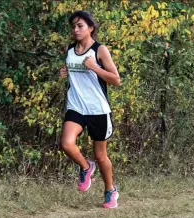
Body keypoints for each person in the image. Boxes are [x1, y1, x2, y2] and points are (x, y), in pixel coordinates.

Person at [59, 10, 120, 209]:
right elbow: (74, 74)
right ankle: (86, 167)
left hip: (97, 109)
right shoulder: (69, 50)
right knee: (67, 144)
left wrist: (94, 67)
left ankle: (110, 190)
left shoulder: (99, 50)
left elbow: (115, 80)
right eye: (73, 26)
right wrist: (65, 72)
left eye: (80, 26)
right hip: (76, 105)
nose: (75, 30)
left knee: (101, 156)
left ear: (90, 28)